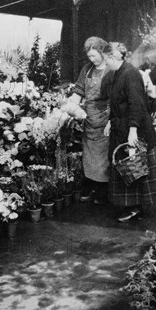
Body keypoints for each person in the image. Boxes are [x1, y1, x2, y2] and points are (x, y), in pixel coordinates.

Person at [101, 42, 156, 222]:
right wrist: (110, 122)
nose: (106, 64)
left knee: (135, 166)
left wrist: (133, 130)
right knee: (128, 167)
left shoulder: (130, 73)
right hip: (121, 126)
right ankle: (131, 205)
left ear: (113, 57)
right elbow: (118, 102)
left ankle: (135, 207)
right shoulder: (119, 73)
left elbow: (137, 104)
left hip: (133, 128)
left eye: (106, 60)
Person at [67, 36, 112, 204]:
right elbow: (79, 90)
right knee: (89, 156)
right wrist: (72, 105)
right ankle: (91, 187)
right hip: (89, 118)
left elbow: (116, 96)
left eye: (94, 55)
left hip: (105, 118)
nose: (91, 59)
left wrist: (111, 119)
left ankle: (103, 191)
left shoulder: (110, 70)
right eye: (89, 56)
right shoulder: (87, 69)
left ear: (102, 52)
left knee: (103, 158)